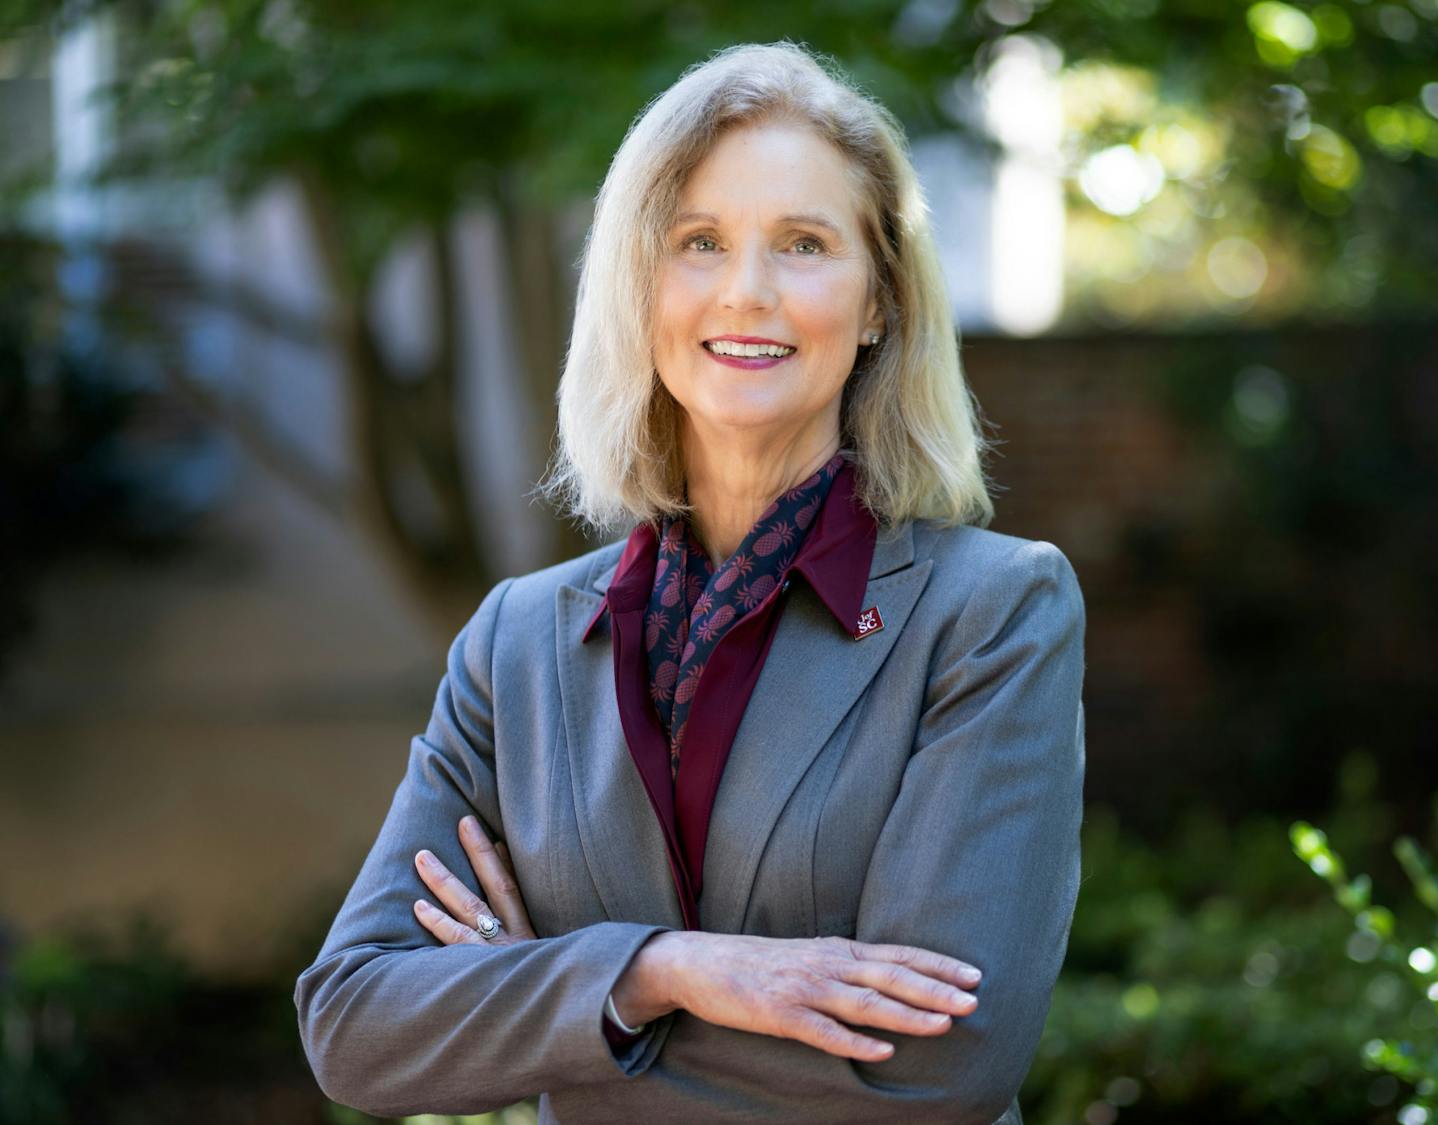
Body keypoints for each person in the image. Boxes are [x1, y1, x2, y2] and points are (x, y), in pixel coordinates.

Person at [294, 39, 1086, 1125]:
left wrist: (547, 997)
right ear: (641, 285)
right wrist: (663, 971)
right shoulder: (516, 643)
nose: (746, 292)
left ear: (878, 303)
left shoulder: (992, 614)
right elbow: (356, 1028)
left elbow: (936, 1068)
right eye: (699, 242)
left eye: (803, 244)